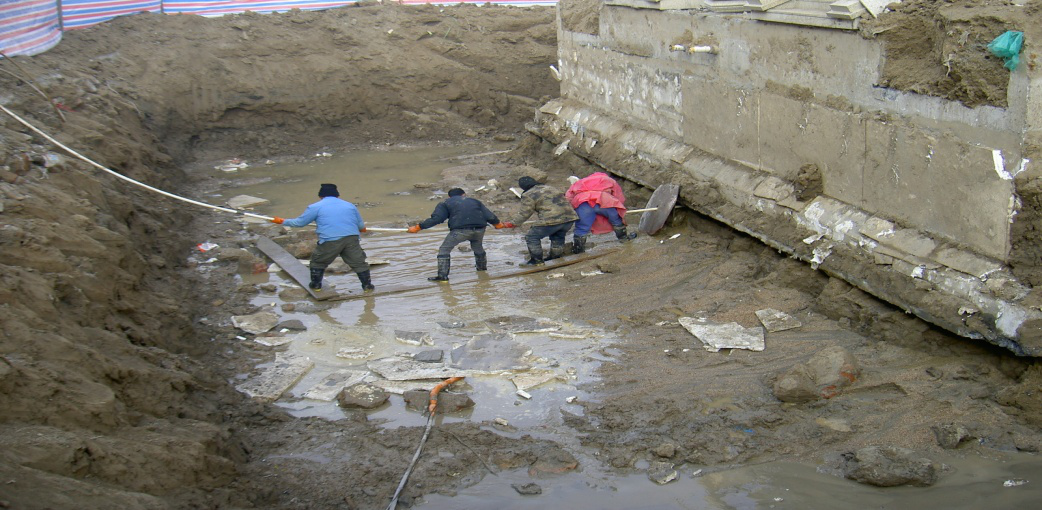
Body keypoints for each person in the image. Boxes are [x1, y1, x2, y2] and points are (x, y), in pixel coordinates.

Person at [271, 183, 374, 292]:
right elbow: (361, 226)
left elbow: (300, 223)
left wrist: (282, 221)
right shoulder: (349, 206)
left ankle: (316, 286)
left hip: (330, 240)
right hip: (351, 238)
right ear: (337, 195)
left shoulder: (315, 207)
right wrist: (362, 229)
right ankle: (367, 286)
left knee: (318, 262)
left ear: (320, 196)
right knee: (358, 263)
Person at [407, 188, 508, 282]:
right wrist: (497, 224)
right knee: (477, 247)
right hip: (479, 229)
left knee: (444, 249)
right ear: (464, 195)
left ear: (449, 197)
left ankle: (442, 277)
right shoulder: (474, 201)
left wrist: (418, 227)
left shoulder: (445, 203)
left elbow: (437, 219)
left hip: (460, 231)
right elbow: (489, 215)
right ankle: (482, 271)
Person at [501, 176, 578, 266]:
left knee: (531, 237)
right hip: (570, 218)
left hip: (552, 219)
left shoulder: (528, 194)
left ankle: (536, 261)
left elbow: (524, 214)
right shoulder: (550, 188)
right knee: (558, 236)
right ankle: (556, 258)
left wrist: (512, 223)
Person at [565, 171, 634, 254]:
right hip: (603, 200)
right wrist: (619, 209)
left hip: (583, 202)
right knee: (616, 219)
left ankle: (578, 249)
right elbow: (618, 195)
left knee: (581, 227)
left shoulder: (580, 182)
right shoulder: (608, 179)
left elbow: (568, 197)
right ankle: (624, 238)